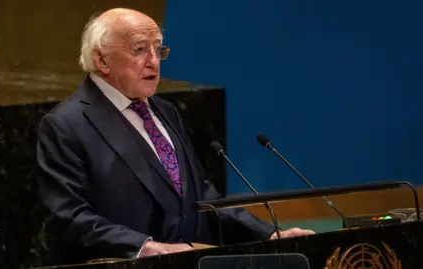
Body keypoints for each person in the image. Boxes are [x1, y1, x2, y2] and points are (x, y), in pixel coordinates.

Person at [36, 8, 314, 263]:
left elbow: (200, 196)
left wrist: (268, 235)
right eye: (140, 50)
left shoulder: (165, 111)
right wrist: (151, 248)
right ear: (102, 60)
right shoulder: (66, 124)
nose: (154, 62)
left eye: (158, 49)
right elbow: (69, 218)